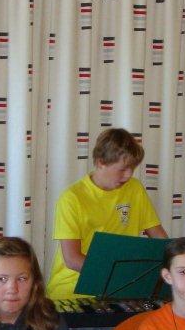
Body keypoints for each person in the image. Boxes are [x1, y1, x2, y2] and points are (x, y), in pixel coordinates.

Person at [46, 127, 167, 309]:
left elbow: (160, 239)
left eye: (132, 168)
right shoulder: (72, 198)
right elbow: (72, 259)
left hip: (120, 290)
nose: (129, 175)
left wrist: (178, 264)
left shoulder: (135, 189)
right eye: (122, 169)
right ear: (101, 162)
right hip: (74, 291)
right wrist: (120, 277)